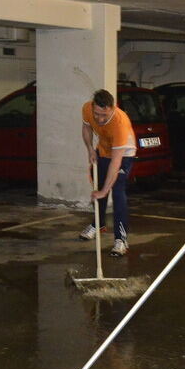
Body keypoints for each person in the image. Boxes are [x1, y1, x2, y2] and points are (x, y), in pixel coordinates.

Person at [78, 89, 136, 257]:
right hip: (103, 151)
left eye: (105, 115)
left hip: (123, 155)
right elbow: (86, 127)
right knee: (99, 187)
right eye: (97, 114)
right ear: (93, 106)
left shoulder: (120, 123)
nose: (100, 119)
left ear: (113, 107)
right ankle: (98, 225)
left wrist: (104, 192)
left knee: (116, 192)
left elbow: (116, 162)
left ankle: (121, 240)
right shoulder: (87, 109)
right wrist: (90, 149)